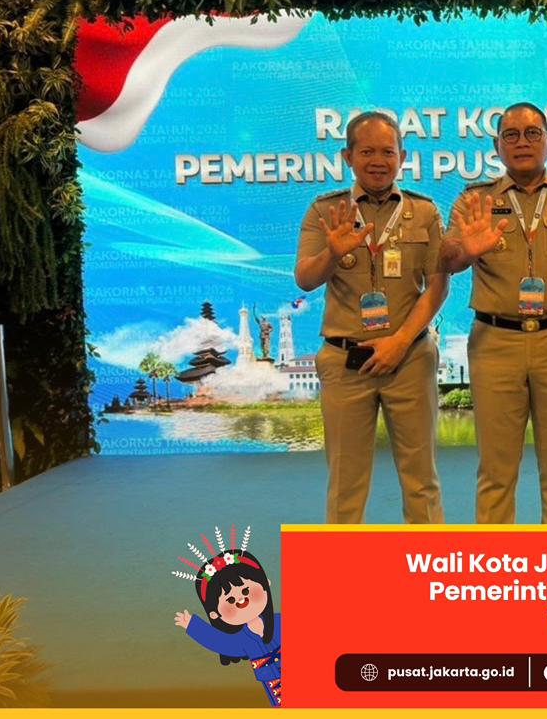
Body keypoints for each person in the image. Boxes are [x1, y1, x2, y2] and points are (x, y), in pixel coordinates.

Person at [439, 102, 547, 523]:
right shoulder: (474, 201)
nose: (522, 142)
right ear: (496, 146)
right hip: (495, 343)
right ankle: (498, 562)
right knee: (496, 472)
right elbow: (448, 260)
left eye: (532, 134)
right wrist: (466, 251)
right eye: (510, 135)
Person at [294, 110, 447, 524]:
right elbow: (305, 278)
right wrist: (332, 253)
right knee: (345, 484)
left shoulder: (425, 212)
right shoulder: (326, 211)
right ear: (348, 157)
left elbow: (437, 286)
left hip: (409, 359)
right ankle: (344, 567)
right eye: (367, 152)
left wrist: (400, 342)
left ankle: (428, 565)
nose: (378, 161)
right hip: (347, 363)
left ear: (402, 157)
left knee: (422, 480)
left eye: (388, 152)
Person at [173, 526, 281, 706]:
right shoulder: (242, 639)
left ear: (265, 584)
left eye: (245, 591)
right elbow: (222, 642)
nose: (241, 600)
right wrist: (193, 626)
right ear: (215, 614)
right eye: (230, 599)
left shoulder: (280, 622)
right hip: (277, 688)